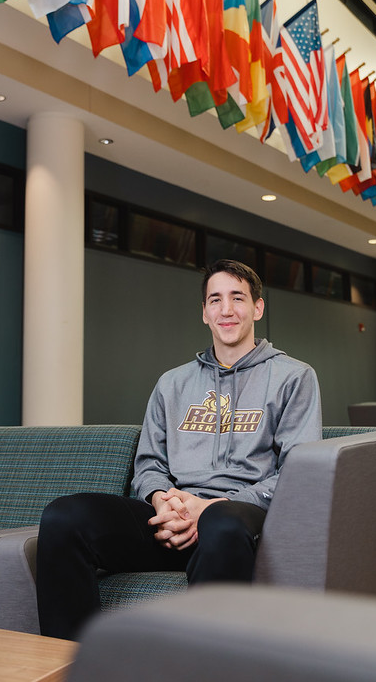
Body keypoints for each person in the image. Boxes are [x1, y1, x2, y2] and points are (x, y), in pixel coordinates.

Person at [36, 259, 322, 640]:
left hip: (240, 522)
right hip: (172, 520)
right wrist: (161, 501)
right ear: (204, 312)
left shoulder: (293, 377)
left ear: (257, 307)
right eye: (215, 299)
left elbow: (297, 472)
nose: (226, 309)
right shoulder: (173, 383)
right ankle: (76, 664)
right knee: (64, 517)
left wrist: (210, 507)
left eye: (237, 298)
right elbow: (150, 461)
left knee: (221, 524)